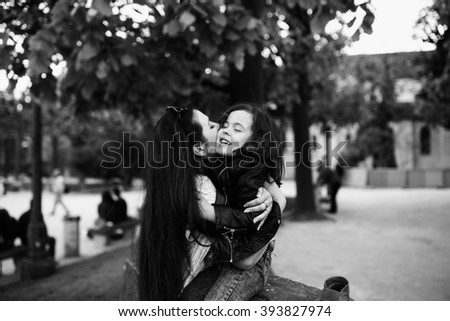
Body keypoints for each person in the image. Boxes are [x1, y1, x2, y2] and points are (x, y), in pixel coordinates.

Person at [138, 106, 285, 301]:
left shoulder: (181, 180)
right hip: (235, 257)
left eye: (237, 128)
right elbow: (244, 260)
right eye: (215, 125)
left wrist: (275, 200)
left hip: (246, 252)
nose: (221, 128)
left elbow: (247, 255)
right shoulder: (205, 184)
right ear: (198, 148)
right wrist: (279, 201)